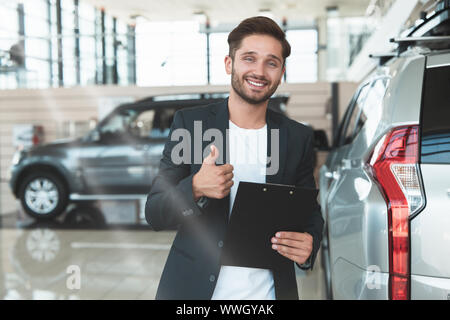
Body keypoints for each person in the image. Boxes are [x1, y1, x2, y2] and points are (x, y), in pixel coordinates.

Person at [145, 16, 324, 300]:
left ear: (281, 72)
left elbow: (309, 212)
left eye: (271, 62)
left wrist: (308, 247)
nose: (260, 71)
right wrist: (194, 187)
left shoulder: (296, 137)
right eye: (249, 59)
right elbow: (154, 212)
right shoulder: (192, 126)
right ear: (229, 63)